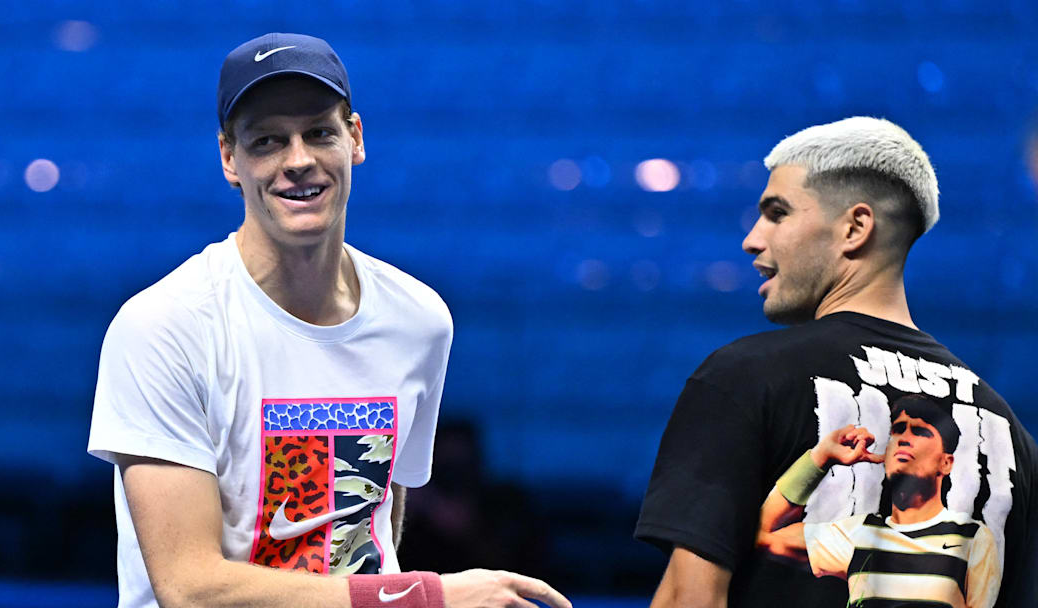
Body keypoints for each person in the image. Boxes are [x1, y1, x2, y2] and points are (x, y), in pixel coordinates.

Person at [88, 33, 571, 608]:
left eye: (319, 132)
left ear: (355, 138)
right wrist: (426, 597)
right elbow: (190, 589)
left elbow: (377, 520)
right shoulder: (162, 328)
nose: (298, 161)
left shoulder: (420, 321)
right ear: (229, 159)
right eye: (267, 141)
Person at [635, 116, 1038, 607]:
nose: (752, 239)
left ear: (854, 227)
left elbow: (689, 599)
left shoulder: (744, 377)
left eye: (777, 213)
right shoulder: (1013, 438)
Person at [757, 395, 1000, 607]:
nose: (904, 438)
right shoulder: (860, 533)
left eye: (920, 432)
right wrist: (821, 457)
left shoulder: (970, 536)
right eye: (898, 430)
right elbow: (763, 535)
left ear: (946, 463)